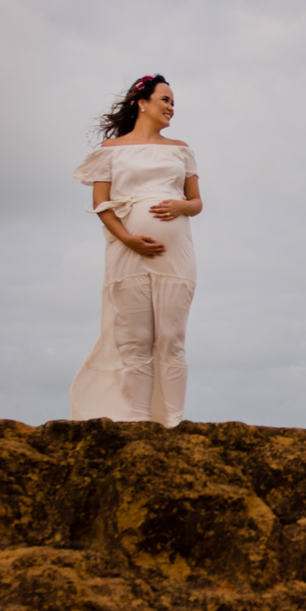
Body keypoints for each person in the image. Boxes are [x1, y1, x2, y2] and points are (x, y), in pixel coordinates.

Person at [69, 74, 203, 427]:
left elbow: (196, 202)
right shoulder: (110, 151)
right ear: (142, 103)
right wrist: (127, 239)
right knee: (135, 340)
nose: (171, 107)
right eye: (165, 100)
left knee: (172, 338)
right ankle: (139, 422)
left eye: (173, 102)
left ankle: (173, 422)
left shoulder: (181, 149)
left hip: (175, 254)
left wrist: (180, 206)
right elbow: (101, 204)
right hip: (127, 252)